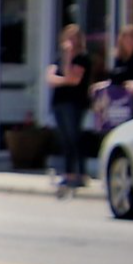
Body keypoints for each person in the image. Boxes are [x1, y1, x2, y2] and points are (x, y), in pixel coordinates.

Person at [45, 23, 94, 189]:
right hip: (59, 102)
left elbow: (74, 78)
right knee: (65, 139)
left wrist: (68, 59)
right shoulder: (58, 59)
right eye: (68, 37)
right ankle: (67, 173)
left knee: (75, 137)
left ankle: (80, 174)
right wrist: (65, 79)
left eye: (74, 37)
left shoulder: (83, 58)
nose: (71, 41)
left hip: (75, 103)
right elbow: (50, 78)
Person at [97, 24, 133, 118]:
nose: (129, 42)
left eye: (132, 39)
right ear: (121, 40)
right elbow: (116, 81)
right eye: (126, 38)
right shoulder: (119, 60)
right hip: (120, 108)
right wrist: (101, 86)